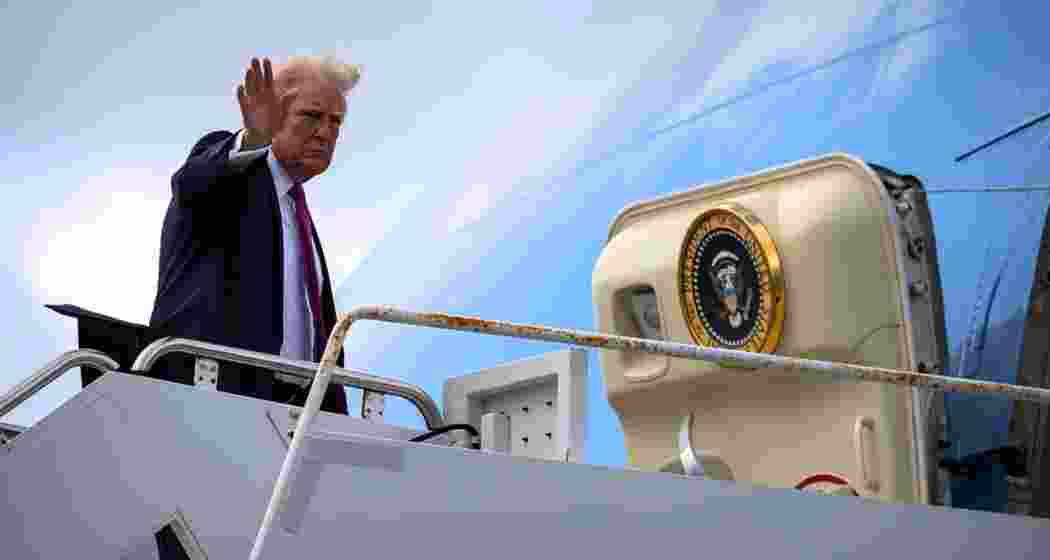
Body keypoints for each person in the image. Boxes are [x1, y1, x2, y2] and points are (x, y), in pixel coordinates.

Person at [148, 55, 361, 414]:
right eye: (311, 116)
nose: (325, 132)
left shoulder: (298, 214)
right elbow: (193, 184)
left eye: (335, 121)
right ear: (272, 114)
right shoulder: (229, 171)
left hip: (294, 414)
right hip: (209, 399)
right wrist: (253, 138)